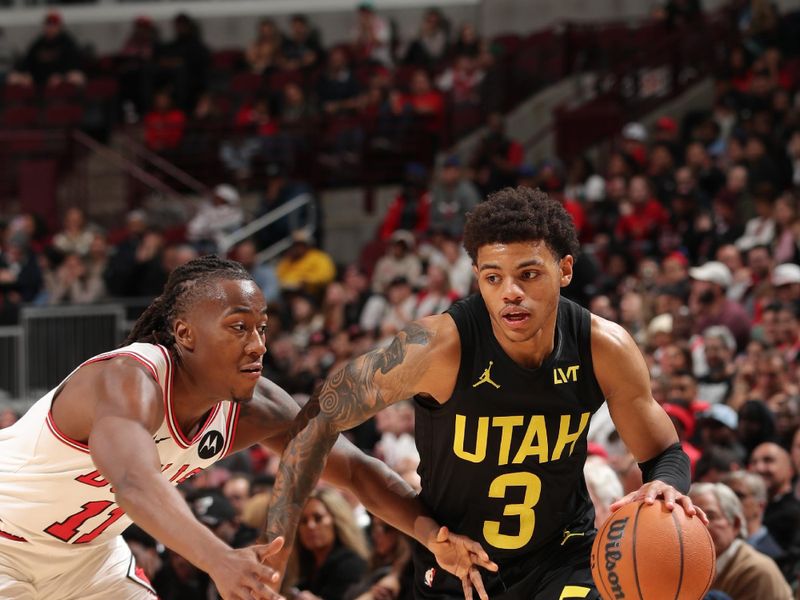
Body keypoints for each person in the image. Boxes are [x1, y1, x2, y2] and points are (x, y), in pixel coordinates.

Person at [265, 187, 706, 599]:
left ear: (565, 270)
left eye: (528, 274)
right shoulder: (436, 348)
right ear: (476, 276)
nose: (510, 293)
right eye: (493, 278)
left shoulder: (602, 347)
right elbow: (315, 424)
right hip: (457, 564)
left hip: (563, 555)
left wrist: (665, 486)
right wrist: (276, 550)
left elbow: (664, 451)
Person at [0, 255, 493, 600]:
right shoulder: (128, 379)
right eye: (239, 327)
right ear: (185, 333)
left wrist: (429, 533)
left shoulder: (256, 406)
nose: (258, 344)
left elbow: (357, 471)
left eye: (262, 327)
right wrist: (219, 559)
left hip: (87, 560)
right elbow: (133, 482)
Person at [688, 482, 792, 600]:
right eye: (692, 518)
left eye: (711, 516)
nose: (700, 527)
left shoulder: (756, 570)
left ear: (736, 524)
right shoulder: (687, 564)